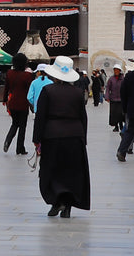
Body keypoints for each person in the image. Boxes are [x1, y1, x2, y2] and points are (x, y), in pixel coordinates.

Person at [32, 55, 89, 219]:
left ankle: (56, 201)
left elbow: (40, 117)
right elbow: (83, 117)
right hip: (74, 136)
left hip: (52, 135)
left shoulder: (48, 91)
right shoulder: (78, 93)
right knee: (71, 171)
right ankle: (67, 206)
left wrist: (37, 139)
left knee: (52, 169)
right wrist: (83, 138)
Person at [2, 53, 33, 155]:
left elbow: (6, 88)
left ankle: (8, 140)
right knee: (22, 126)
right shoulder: (28, 76)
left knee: (15, 124)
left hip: (12, 103)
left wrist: (4, 99)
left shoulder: (9, 73)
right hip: (23, 104)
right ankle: (20, 148)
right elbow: (30, 91)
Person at [105, 65, 124, 132]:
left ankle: (121, 125)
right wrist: (107, 96)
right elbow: (108, 88)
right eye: (115, 70)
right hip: (113, 99)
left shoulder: (123, 79)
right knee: (114, 114)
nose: (116, 71)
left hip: (121, 99)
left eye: (117, 70)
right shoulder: (111, 79)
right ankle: (116, 126)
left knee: (120, 113)